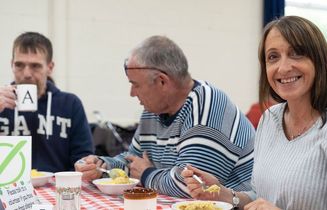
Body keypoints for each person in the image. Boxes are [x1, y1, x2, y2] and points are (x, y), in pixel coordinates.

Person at [182, 16, 327, 210]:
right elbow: (262, 196)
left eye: (296, 53)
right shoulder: (270, 119)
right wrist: (225, 194)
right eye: (273, 57)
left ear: (320, 60)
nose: (283, 68)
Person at [75, 35, 255, 198]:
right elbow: (133, 162)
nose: (132, 93)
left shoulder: (208, 106)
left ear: (162, 81)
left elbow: (191, 186)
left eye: (135, 85)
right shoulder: (153, 111)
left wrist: (146, 174)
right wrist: (102, 167)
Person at [0, 32, 94, 172]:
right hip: (7, 187)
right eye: (19, 65)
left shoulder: (70, 104)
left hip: (56, 188)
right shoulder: (2, 102)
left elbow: (83, 157)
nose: (26, 73)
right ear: (11, 65)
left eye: (35, 66)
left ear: (50, 68)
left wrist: (88, 166)